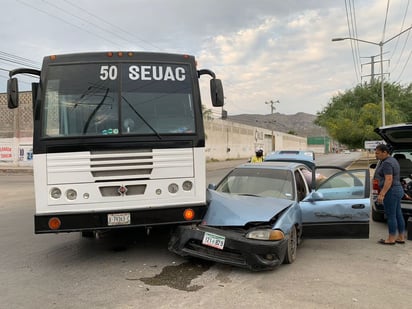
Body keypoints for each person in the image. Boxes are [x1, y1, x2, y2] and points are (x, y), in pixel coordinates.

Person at [373, 144, 406, 245]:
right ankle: (401, 237)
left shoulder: (387, 163)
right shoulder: (393, 160)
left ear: (385, 152)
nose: (376, 155)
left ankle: (391, 239)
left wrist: (382, 194)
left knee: (391, 215)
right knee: (398, 214)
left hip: (391, 191)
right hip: (397, 189)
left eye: (378, 153)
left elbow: (389, 179)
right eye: (375, 153)